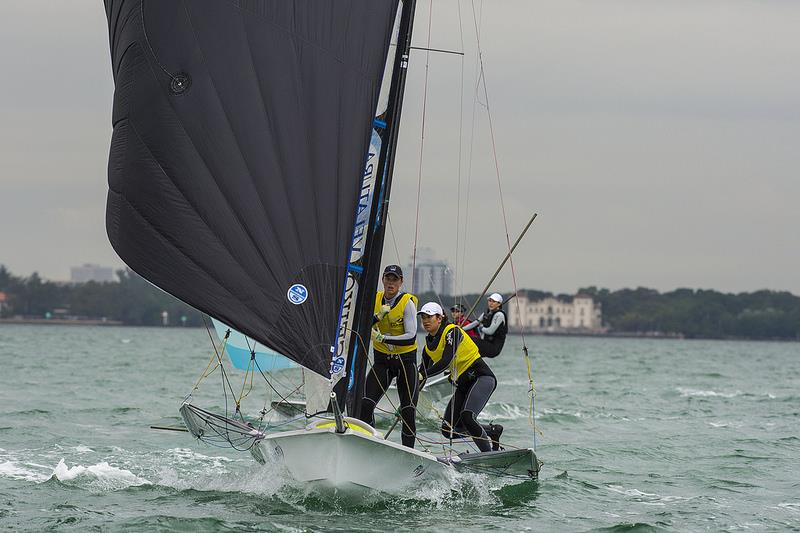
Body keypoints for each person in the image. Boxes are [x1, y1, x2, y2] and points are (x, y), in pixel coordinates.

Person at [417, 302, 503, 452]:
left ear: (439, 318)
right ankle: (492, 431)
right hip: (463, 385)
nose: (425, 320)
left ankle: (488, 455)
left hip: (481, 378)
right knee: (448, 429)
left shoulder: (452, 331)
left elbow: (446, 361)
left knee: (467, 417)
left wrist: (422, 374)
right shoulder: (428, 347)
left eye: (429, 317)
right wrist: (411, 394)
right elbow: (421, 375)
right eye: (423, 317)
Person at [359, 265, 419, 448]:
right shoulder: (374, 299)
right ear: (383, 280)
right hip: (382, 361)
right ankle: (371, 444)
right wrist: (378, 316)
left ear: (401, 282)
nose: (391, 283)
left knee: (408, 411)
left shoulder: (406, 302)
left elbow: (411, 335)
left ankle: (408, 453)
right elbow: (361, 324)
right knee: (366, 404)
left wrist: (384, 337)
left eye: (395, 279)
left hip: (405, 362)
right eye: (388, 278)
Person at [463, 292, 507, 358]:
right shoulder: (487, 313)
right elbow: (475, 323)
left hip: (493, 348)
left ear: (499, 304)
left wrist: (481, 328)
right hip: (486, 343)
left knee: (470, 339)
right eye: (489, 301)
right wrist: (461, 328)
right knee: (465, 338)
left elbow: (490, 331)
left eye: (494, 301)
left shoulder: (499, 315)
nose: (491, 303)